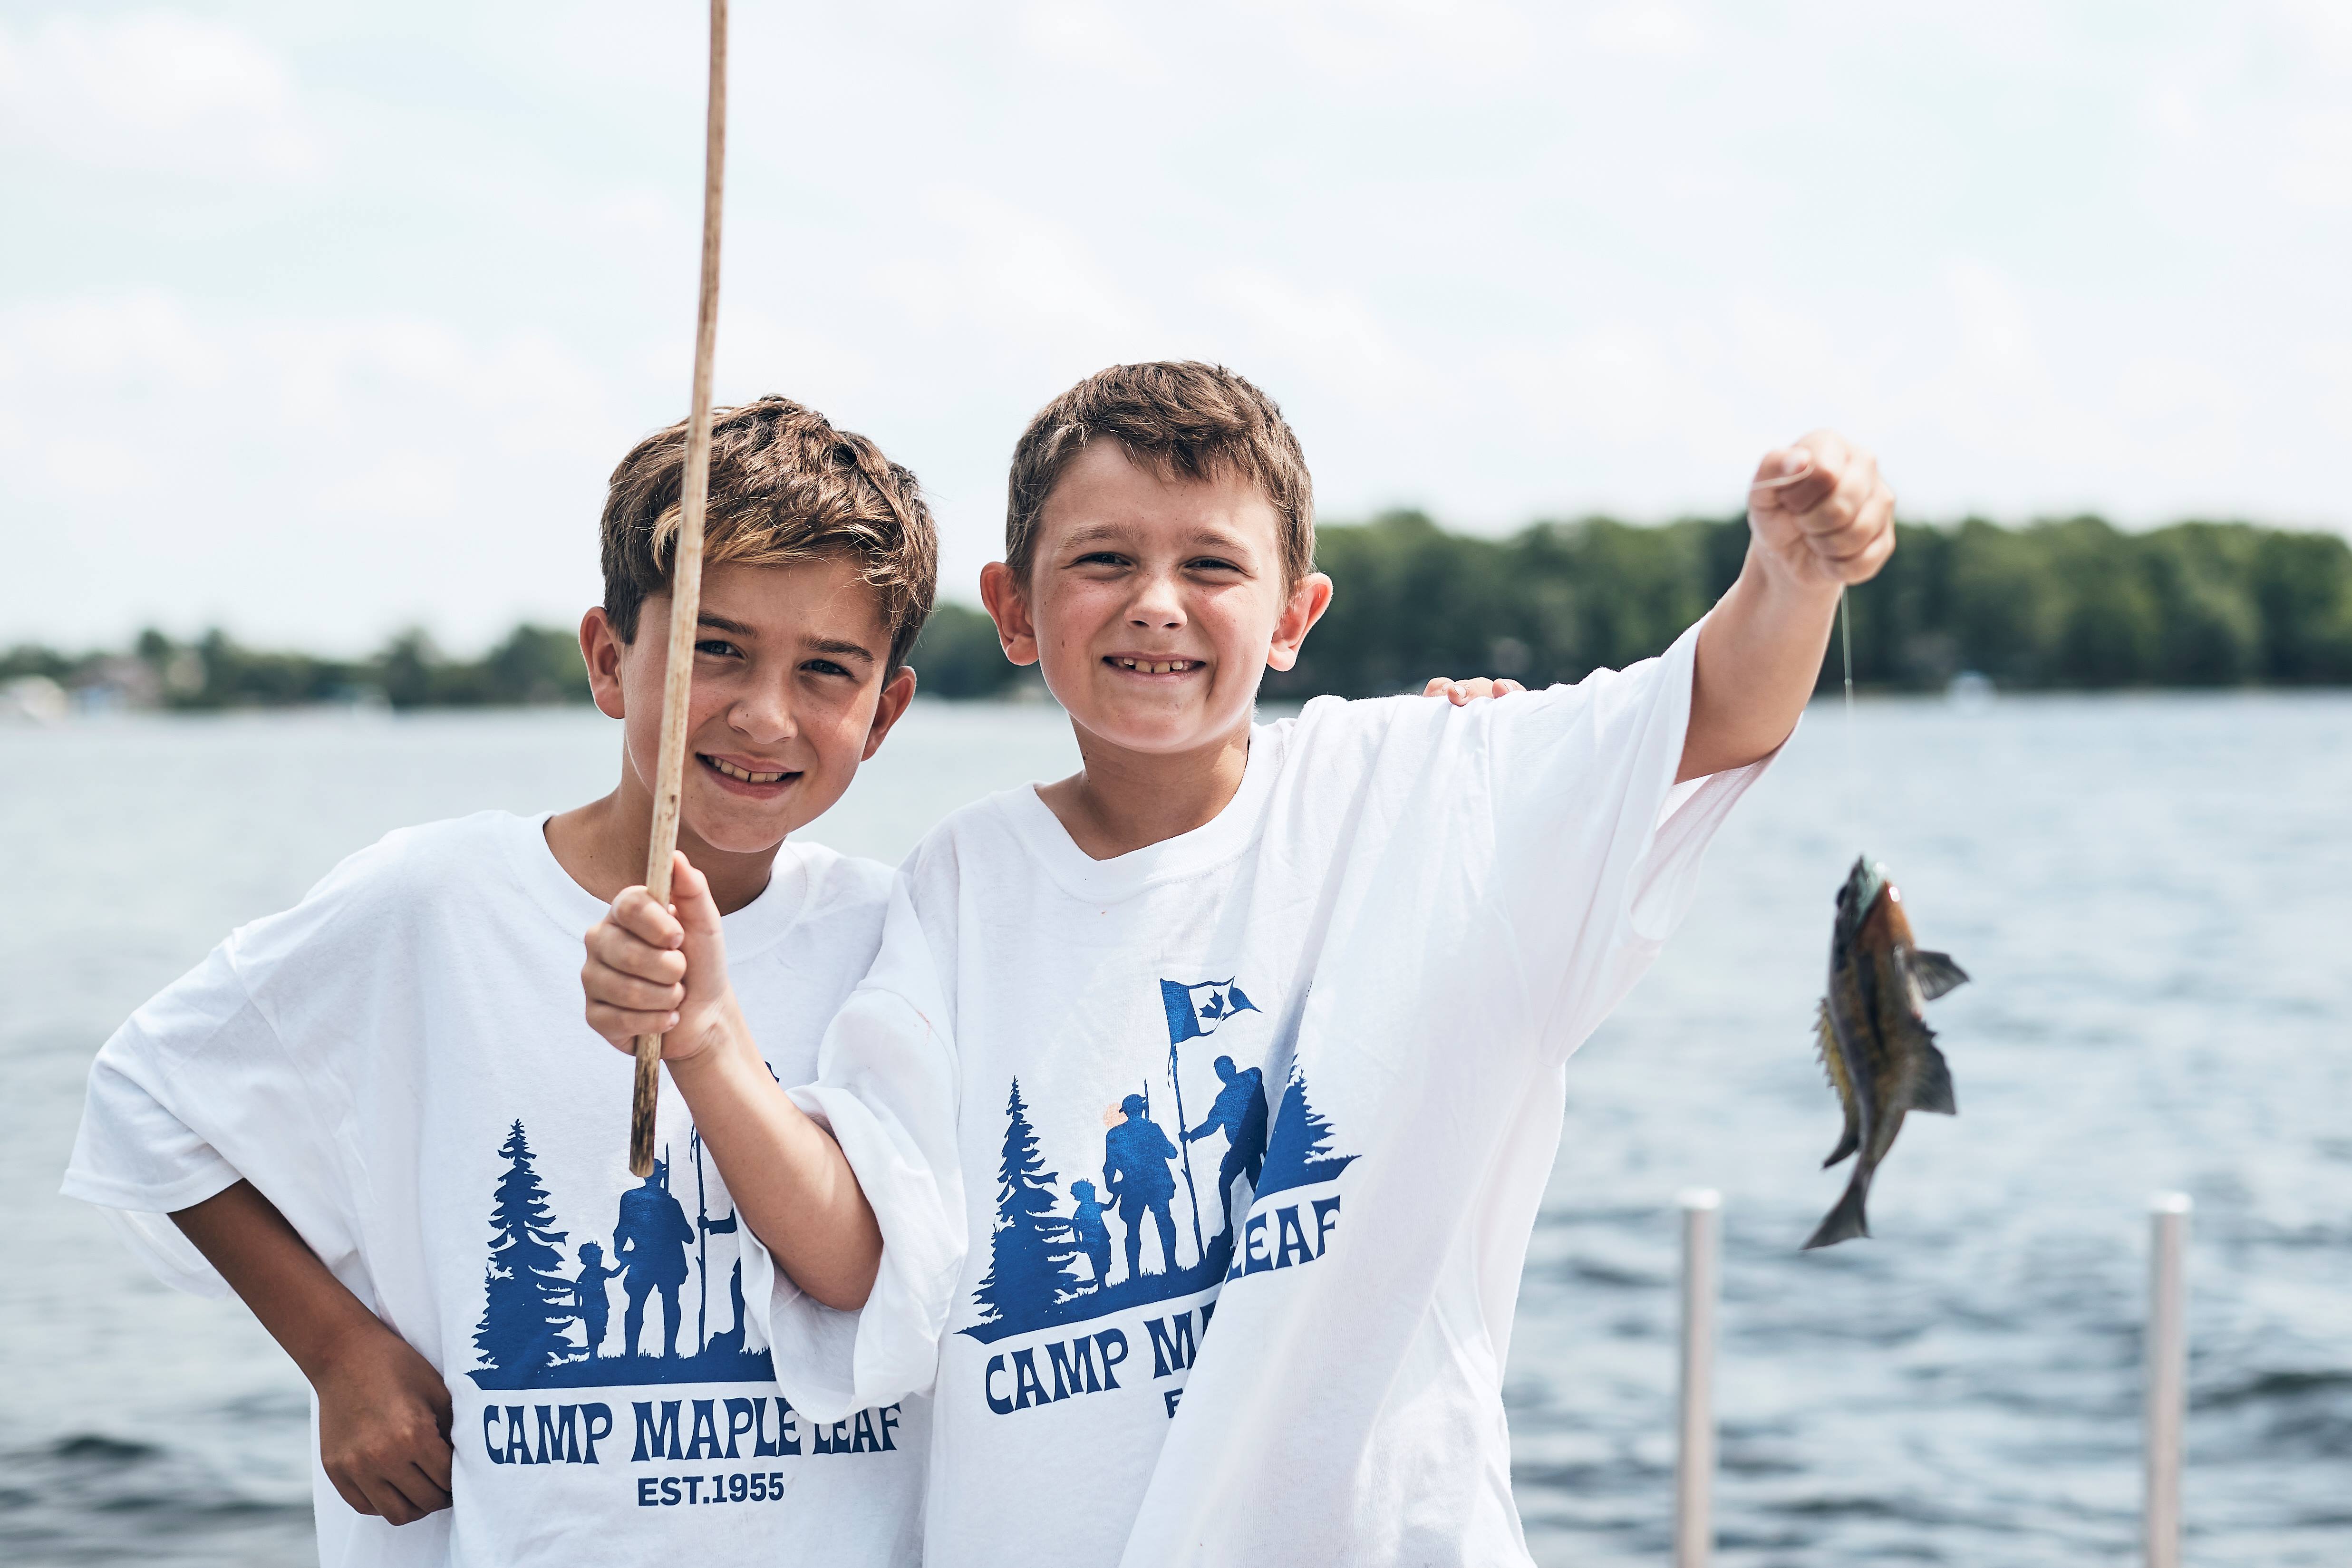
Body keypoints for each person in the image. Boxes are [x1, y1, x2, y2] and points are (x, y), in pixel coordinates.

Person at [730, 359, 1894, 1566]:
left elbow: (1716, 711)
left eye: (1212, 566)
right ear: (1013, 609)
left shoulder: (1428, 781)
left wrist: (1790, 571)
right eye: (1103, 559)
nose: (1156, 604)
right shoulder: (956, 881)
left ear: (1293, 616)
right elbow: (878, 1245)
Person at [61, 397, 961, 1568]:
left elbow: (870, 1275)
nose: (761, 713)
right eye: (714, 647)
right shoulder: (434, 899)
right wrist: (337, 1350)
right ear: (609, 659)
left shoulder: (897, 933)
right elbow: (147, 1094)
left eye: (827, 670)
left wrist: (705, 1036)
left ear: (883, 713)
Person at [613, 1160, 695, 1359]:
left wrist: (620, 1253)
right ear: (661, 1176)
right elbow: (689, 1236)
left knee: (647, 1305)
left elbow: (621, 1231)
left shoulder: (634, 1198)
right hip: (660, 1262)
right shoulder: (669, 1204)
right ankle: (664, 1353)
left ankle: (641, 1354)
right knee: (663, 1304)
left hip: (652, 1262)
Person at [1182, 1055, 1266, 1241]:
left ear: (1233, 1067)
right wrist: (1191, 1135)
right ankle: (1230, 1228)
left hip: (1248, 1143)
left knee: (1244, 1181)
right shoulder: (1222, 1099)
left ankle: (1236, 1225)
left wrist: (1262, 1142)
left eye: (1224, 1069)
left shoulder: (1250, 1079)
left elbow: (1262, 1109)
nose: (1222, 1074)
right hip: (1239, 1148)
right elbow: (1211, 1125)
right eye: (1220, 1072)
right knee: (1245, 1180)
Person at [1101, 1094, 1181, 1281]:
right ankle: (1171, 1266)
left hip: (1133, 1187)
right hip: (1156, 1184)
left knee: (1133, 1230)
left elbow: (1109, 1167)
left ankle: (1135, 1277)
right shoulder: (1152, 1129)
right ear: (1142, 1109)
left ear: (1127, 1112)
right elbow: (1172, 1153)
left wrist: (1111, 1187)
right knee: (1164, 1221)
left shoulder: (1114, 1135)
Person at [569, 1241, 619, 1360]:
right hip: (590, 1308)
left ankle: (594, 1353)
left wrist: (624, 1265)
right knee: (593, 1330)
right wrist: (577, 1308)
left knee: (600, 1328)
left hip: (601, 1306)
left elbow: (613, 1274)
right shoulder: (587, 1274)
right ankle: (593, 1354)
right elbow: (577, 1291)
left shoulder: (599, 1271)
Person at [1066, 1180, 1112, 1290]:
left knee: (1104, 1260)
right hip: (1091, 1242)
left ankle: (1103, 1284)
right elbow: (1076, 1227)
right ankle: (1102, 1285)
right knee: (1097, 1263)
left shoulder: (1096, 1206)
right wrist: (1078, 1242)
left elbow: (1109, 1206)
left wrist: (1117, 1194)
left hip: (1102, 1240)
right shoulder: (1081, 1211)